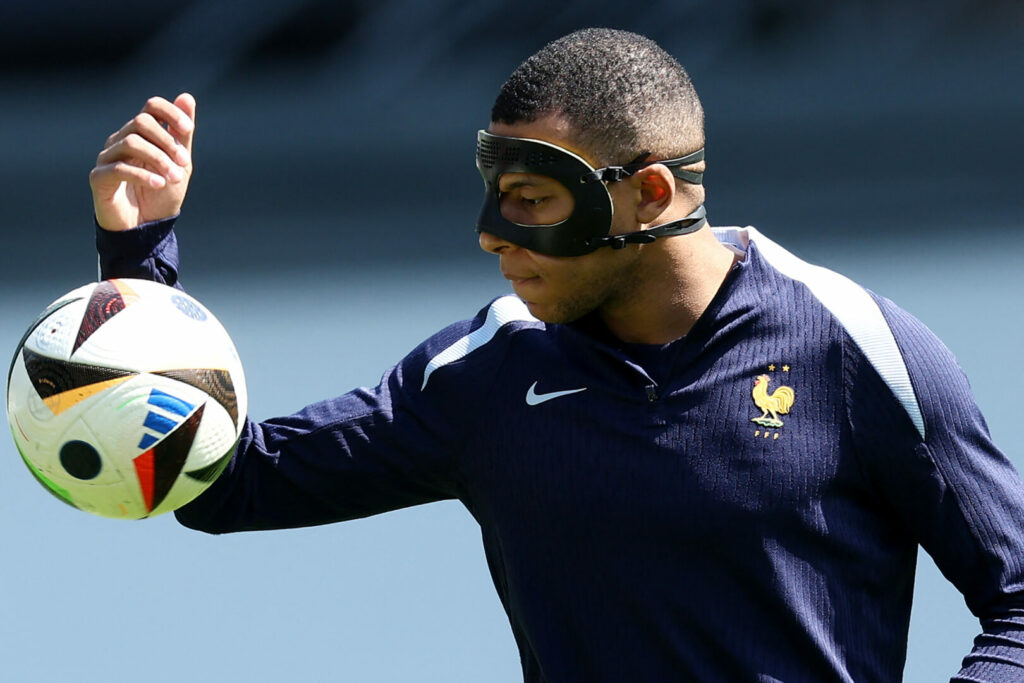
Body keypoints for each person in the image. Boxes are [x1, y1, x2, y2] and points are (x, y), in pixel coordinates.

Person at [89, 28, 1024, 683]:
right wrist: (140, 254)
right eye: (496, 189)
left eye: (533, 197)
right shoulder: (487, 374)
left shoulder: (863, 350)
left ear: (651, 191)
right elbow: (221, 483)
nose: (494, 234)